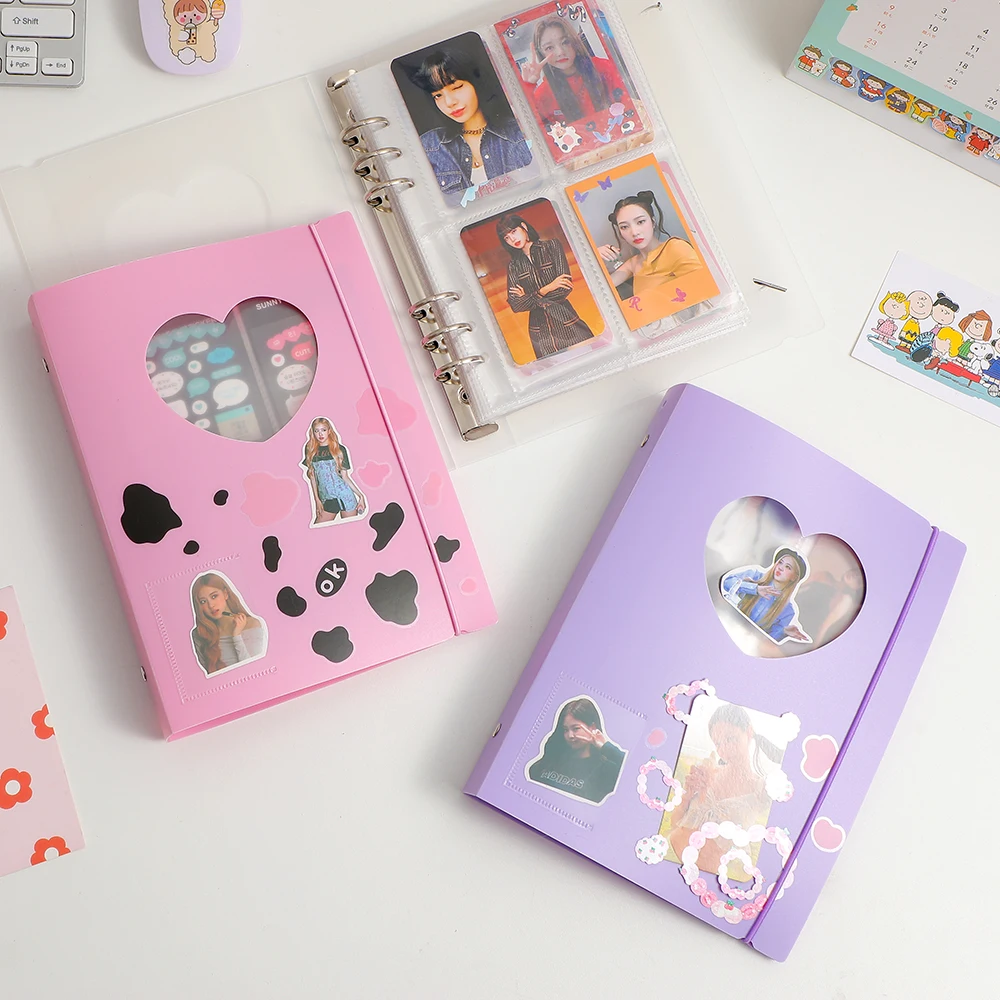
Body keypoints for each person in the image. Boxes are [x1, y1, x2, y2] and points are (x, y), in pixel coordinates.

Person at [668, 703, 784, 872]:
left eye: (730, 739)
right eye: (718, 743)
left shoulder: (762, 789)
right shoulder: (708, 773)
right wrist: (688, 795)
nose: (725, 749)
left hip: (707, 875)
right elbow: (675, 823)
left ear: (749, 732)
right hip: (670, 854)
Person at [409, 47, 531, 194]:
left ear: (476, 83)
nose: (449, 102)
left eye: (456, 87)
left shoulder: (517, 133)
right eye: (438, 95)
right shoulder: (430, 146)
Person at [498, 213, 594, 359]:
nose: (512, 239)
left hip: (567, 321)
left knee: (588, 360)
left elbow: (564, 289)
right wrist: (547, 288)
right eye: (506, 237)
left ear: (523, 227)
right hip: (541, 335)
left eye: (514, 231)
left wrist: (527, 297)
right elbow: (516, 305)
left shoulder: (551, 246)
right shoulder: (513, 266)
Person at [519, 18, 630, 129]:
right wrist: (529, 86)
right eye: (549, 48)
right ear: (541, 53)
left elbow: (631, 104)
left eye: (565, 42)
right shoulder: (543, 93)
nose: (560, 52)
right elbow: (533, 129)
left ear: (574, 42)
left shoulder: (603, 67)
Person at [597, 191, 702, 304]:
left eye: (640, 222)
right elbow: (600, 289)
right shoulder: (633, 263)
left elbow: (704, 285)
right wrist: (595, 256)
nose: (634, 232)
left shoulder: (675, 247)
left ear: (653, 222)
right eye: (624, 227)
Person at [528, 698, 625, 803]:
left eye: (576, 729)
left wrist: (605, 746)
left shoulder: (607, 769)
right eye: (566, 730)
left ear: (592, 727)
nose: (570, 735)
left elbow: (630, 769)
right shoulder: (553, 760)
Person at [722, 548, 812, 644]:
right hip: (725, 624)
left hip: (745, 642)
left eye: (788, 567)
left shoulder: (788, 611)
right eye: (780, 562)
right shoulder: (755, 575)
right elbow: (726, 582)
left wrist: (784, 632)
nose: (780, 568)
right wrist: (755, 589)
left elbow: (767, 641)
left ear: (794, 577)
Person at [190, 573, 266, 675]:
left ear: (225, 594)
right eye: (203, 601)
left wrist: (237, 636)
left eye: (214, 596)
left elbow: (254, 670)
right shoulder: (200, 634)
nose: (211, 605)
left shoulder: (252, 624)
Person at [301, 418, 366, 525]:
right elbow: (313, 478)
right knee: (318, 528)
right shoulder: (310, 449)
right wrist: (317, 501)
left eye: (323, 430)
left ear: (329, 431)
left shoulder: (339, 449)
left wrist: (361, 496)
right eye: (317, 431)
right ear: (313, 432)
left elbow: (345, 477)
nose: (320, 434)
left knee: (351, 530)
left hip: (345, 496)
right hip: (327, 499)